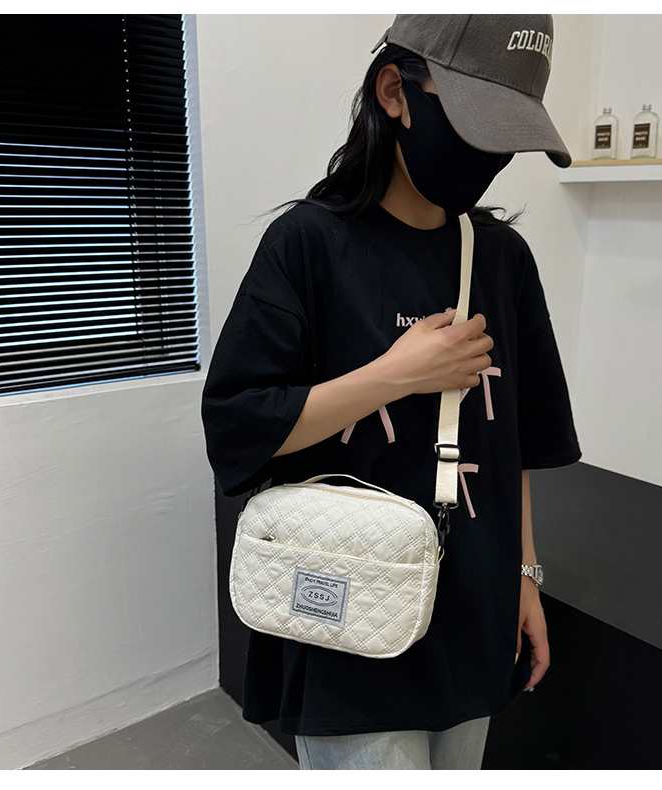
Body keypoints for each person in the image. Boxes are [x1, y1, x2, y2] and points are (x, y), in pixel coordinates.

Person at [201, 14, 581, 770]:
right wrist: (397, 374)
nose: (489, 156)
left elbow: (513, 445)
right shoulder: (308, 246)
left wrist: (524, 577)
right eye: (474, 125)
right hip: (347, 609)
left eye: (507, 136)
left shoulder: (503, 261)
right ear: (395, 93)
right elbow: (240, 424)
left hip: (472, 610)